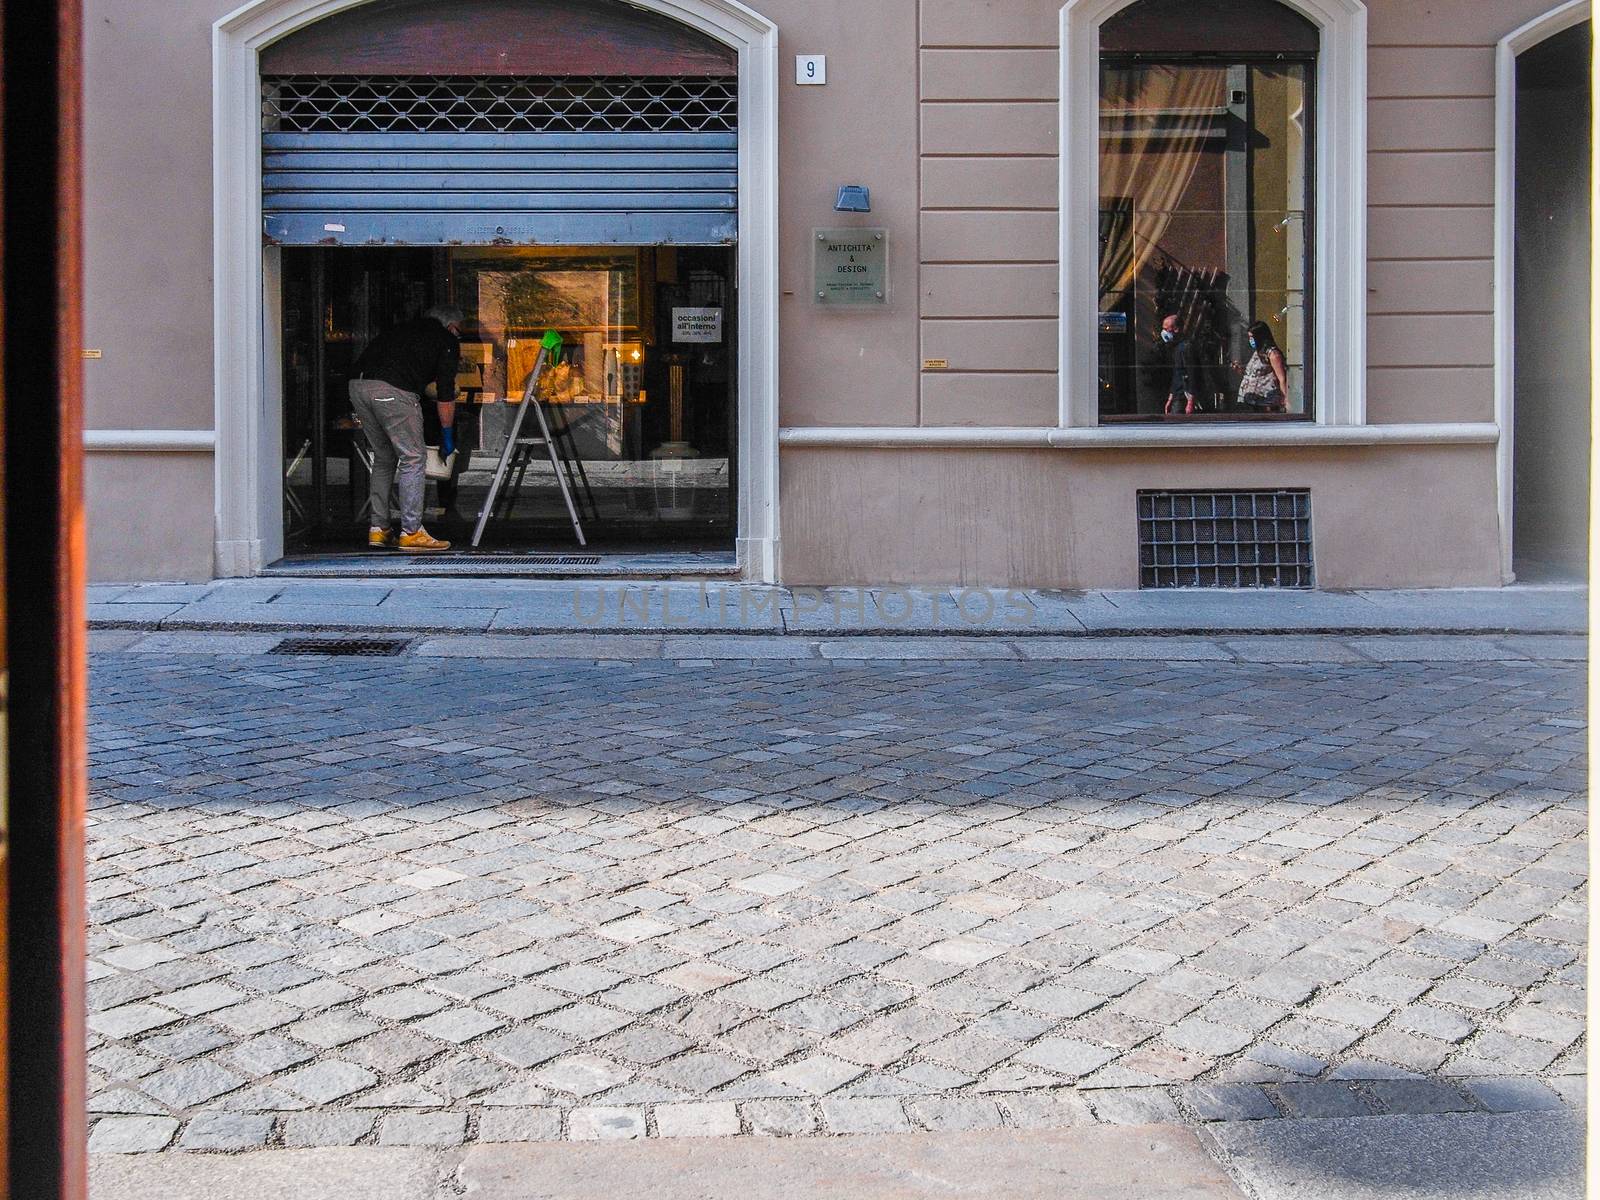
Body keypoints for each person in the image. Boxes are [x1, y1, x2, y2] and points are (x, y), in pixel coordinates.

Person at [348, 305, 463, 551]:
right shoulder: (446, 339)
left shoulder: (402, 329)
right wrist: (447, 434)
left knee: (383, 457)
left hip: (358, 386)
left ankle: (379, 529)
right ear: (452, 326)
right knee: (413, 457)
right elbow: (445, 393)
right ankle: (411, 531)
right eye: (458, 331)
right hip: (393, 391)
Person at [1235, 320, 1290, 413]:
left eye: (1252, 337)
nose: (1250, 341)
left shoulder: (1272, 354)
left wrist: (1285, 401)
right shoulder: (1257, 353)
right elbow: (1255, 374)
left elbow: (1282, 378)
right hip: (1249, 399)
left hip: (1263, 400)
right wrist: (1239, 370)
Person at [1160, 313, 1198, 415]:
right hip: (1178, 394)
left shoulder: (1186, 347)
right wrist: (1171, 396)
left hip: (1185, 395)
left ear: (1176, 329)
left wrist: (1191, 400)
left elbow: (1192, 373)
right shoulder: (1176, 348)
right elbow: (1176, 374)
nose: (1163, 332)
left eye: (1166, 329)